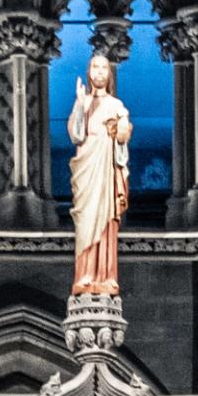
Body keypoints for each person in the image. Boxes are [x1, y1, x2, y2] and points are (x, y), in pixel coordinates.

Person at [67, 50, 133, 297]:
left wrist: (121, 132)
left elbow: (123, 137)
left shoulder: (116, 106)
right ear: (89, 72)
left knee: (106, 224)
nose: (100, 72)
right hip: (86, 171)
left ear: (110, 74)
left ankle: (106, 276)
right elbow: (76, 135)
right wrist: (81, 106)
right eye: (95, 67)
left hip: (106, 172)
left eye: (104, 68)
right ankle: (84, 276)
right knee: (85, 223)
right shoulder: (82, 102)